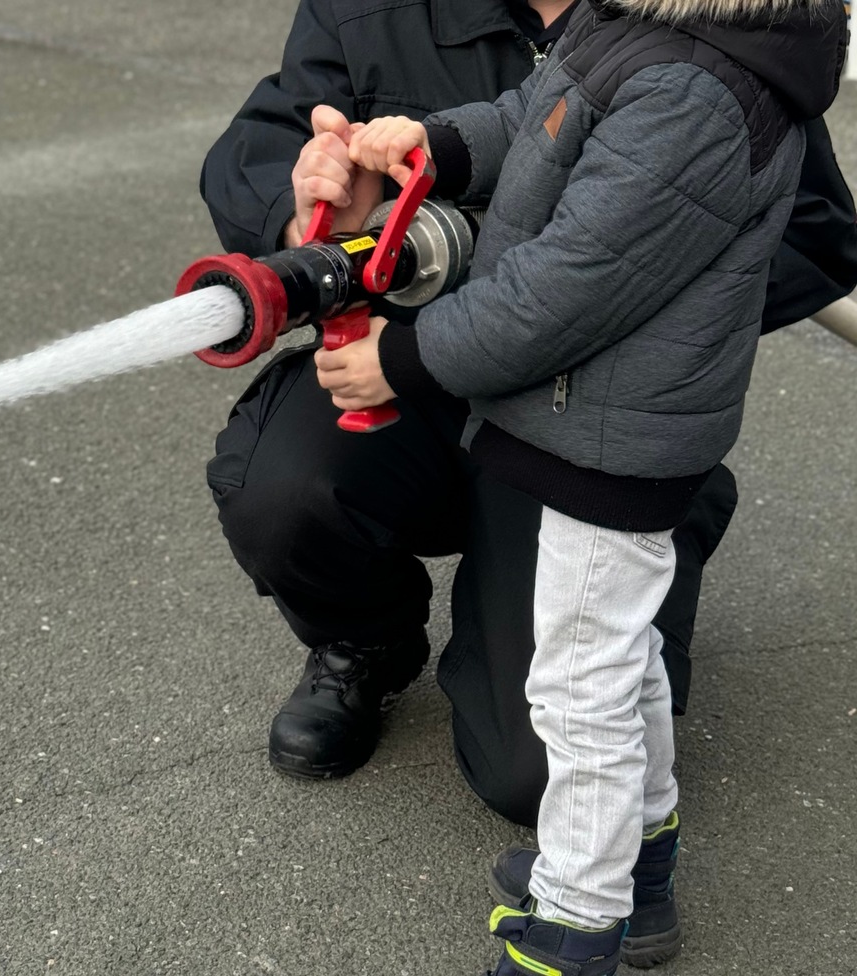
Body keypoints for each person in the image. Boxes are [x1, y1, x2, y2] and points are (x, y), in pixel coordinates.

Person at [201, 0, 856, 816]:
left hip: (586, 421)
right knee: (278, 491)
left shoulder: (701, 34)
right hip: (404, 375)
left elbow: (815, 232)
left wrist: (566, 292)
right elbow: (259, 146)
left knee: (546, 776)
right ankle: (366, 642)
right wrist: (315, 221)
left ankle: (672, 522)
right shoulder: (365, 9)